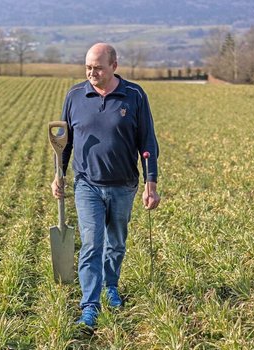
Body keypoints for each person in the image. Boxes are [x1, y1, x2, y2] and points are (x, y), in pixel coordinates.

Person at [51, 43, 161, 331]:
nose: (92, 73)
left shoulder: (134, 95)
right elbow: (65, 142)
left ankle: (110, 285)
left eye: (98, 67)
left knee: (116, 243)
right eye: (88, 67)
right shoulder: (75, 95)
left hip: (124, 184)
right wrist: (58, 174)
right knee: (91, 243)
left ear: (114, 65)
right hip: (87, 183)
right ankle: (90, 304)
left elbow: (147, 142)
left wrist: (152, 184)